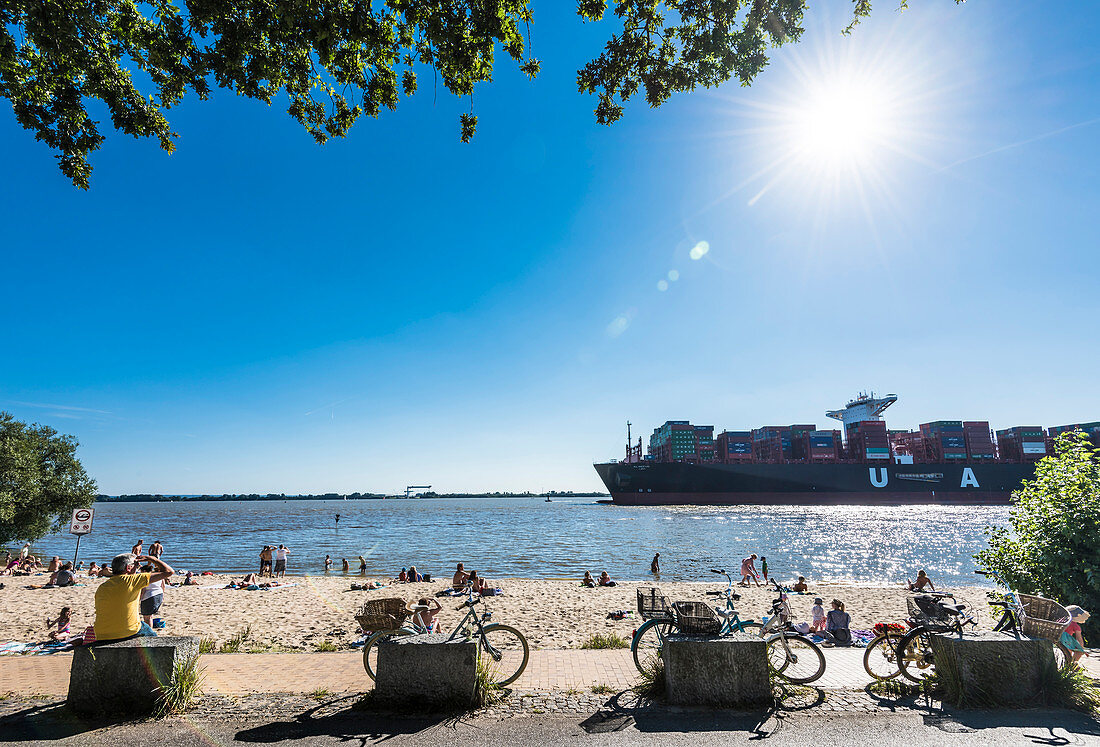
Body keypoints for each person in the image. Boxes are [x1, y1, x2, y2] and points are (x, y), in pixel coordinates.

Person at [93, 553, 174, 643]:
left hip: (101, 633)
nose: (138, 567)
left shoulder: (102, 587)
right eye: (137, 565)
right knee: (151, 635)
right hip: (126, 632)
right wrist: (152, 559)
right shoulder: (133, 580)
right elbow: (169, 572)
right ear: (128, 568)